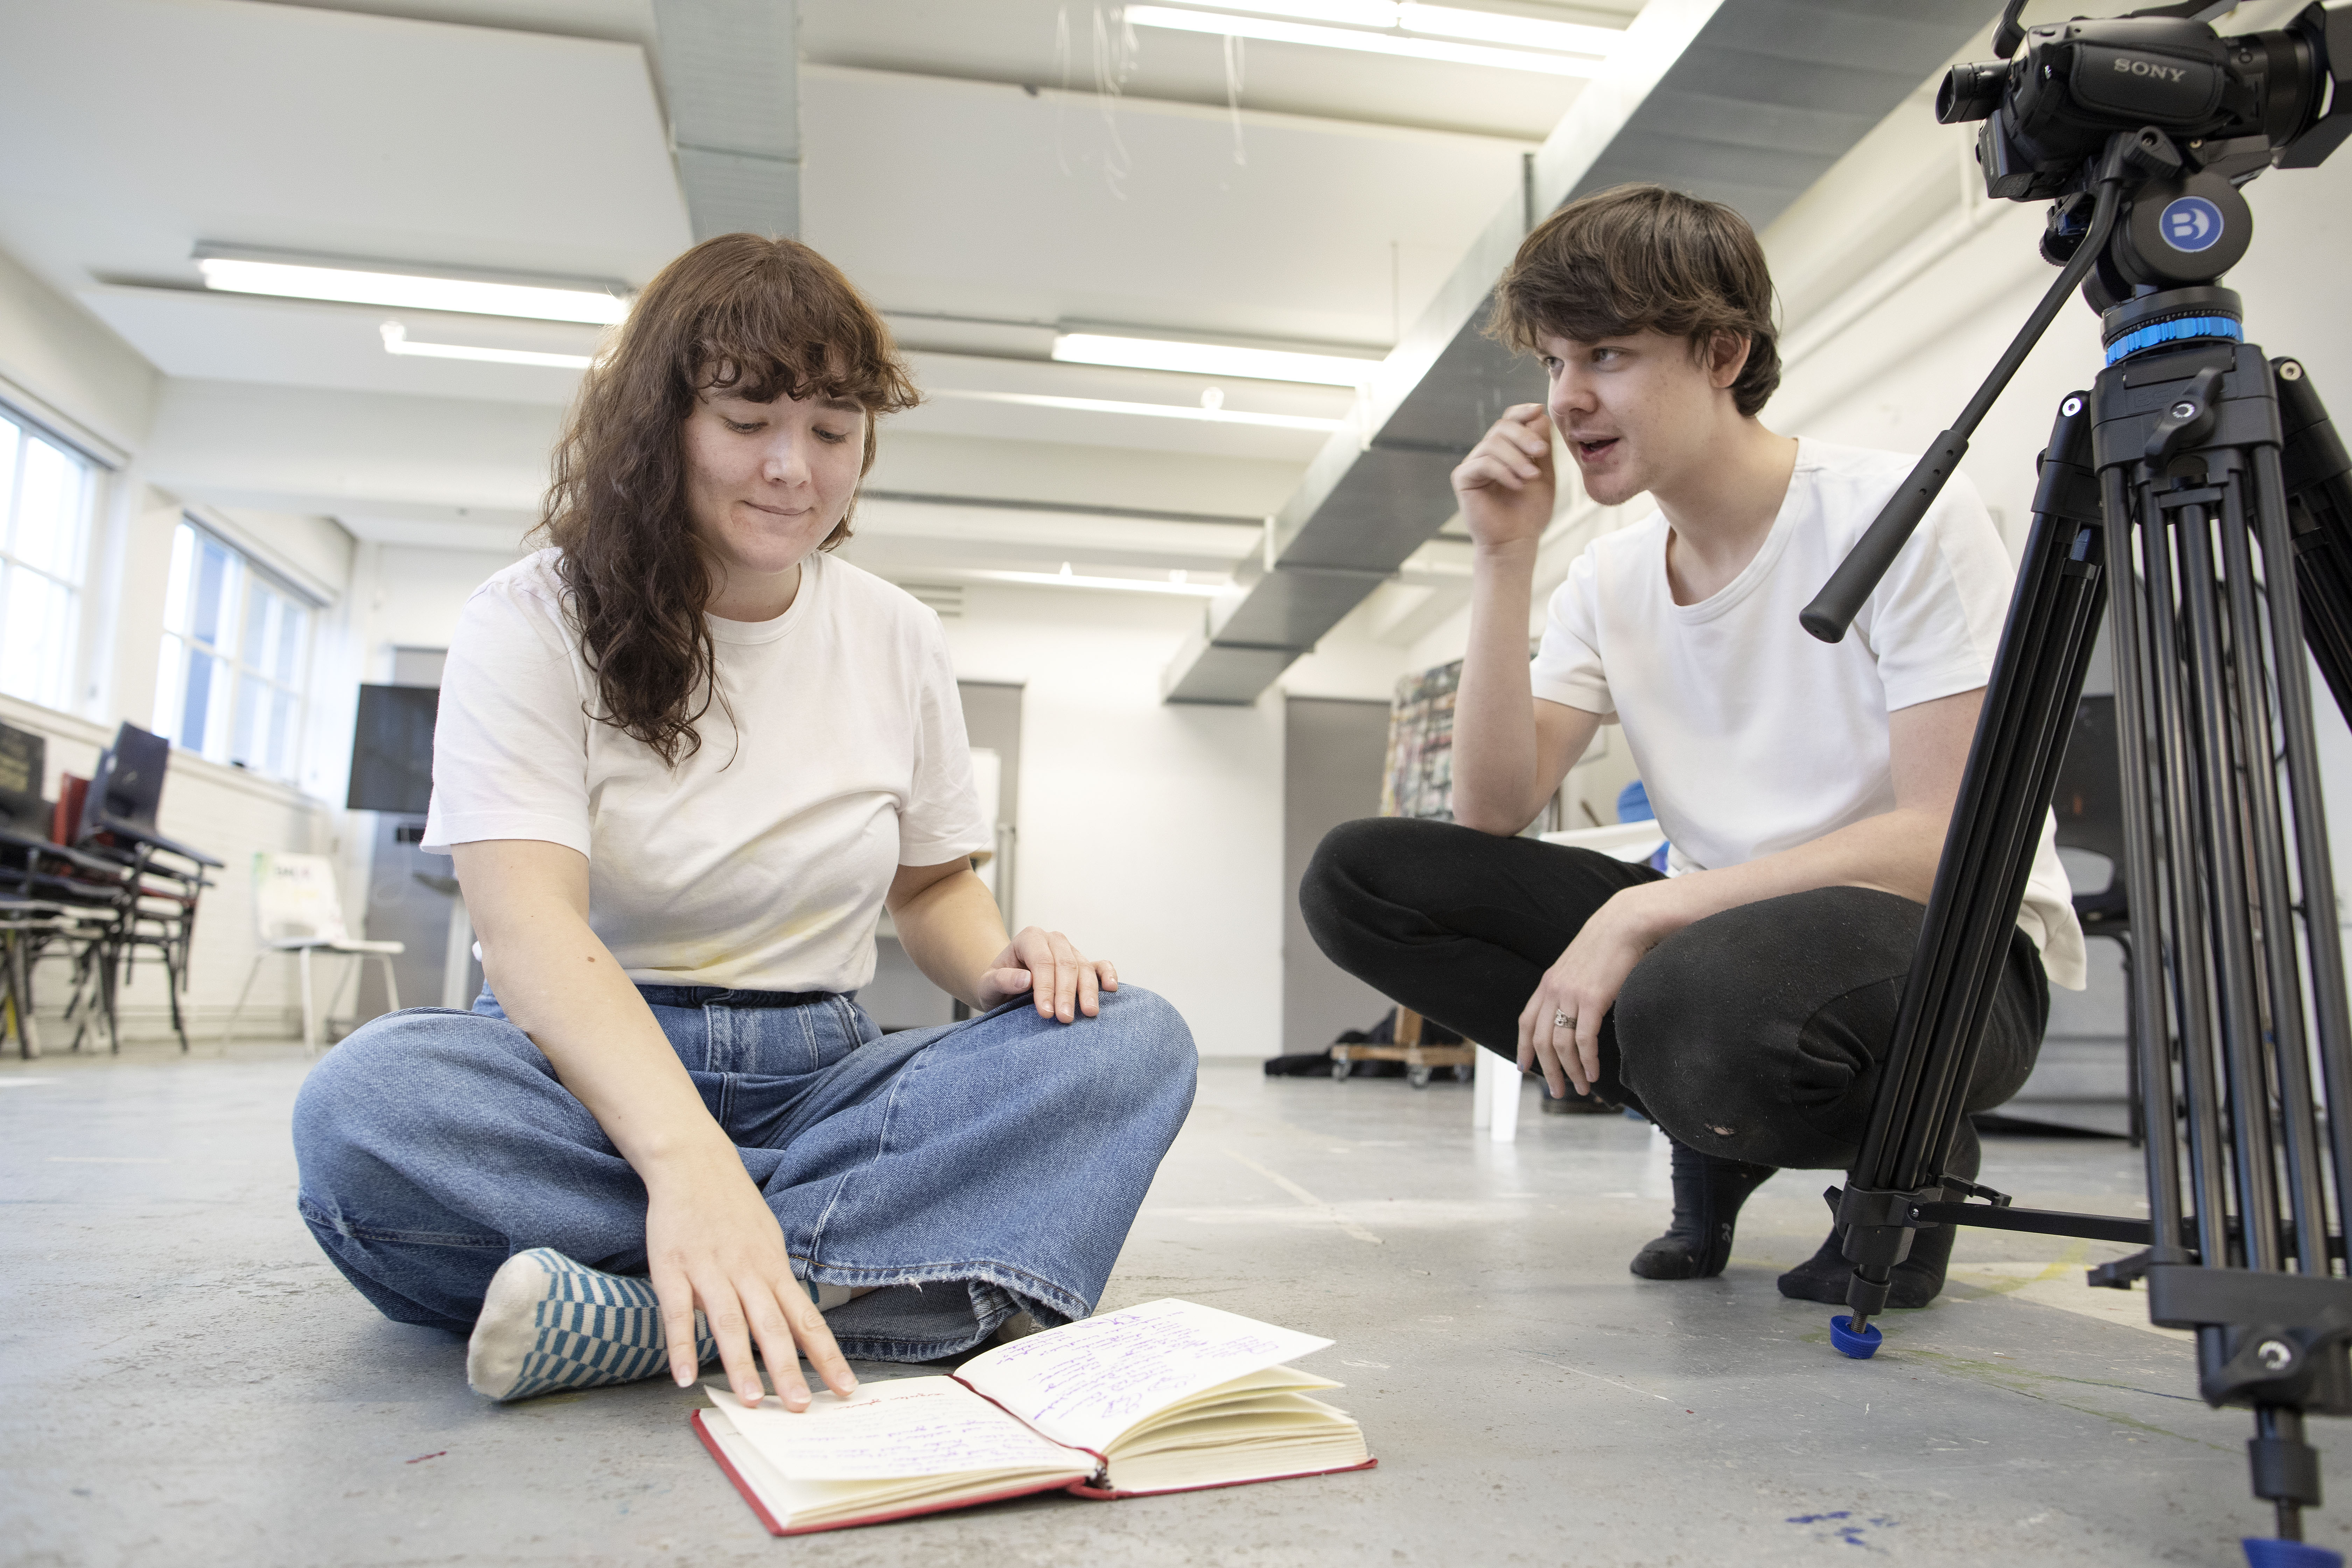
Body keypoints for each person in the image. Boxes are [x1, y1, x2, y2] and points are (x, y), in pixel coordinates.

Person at [292, 234, 1198, 1410]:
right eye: (748, 421)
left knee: (1136, 1041)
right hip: (578, 1073)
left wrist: (1002, 963)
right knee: (367, 1108)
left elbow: (931, 890)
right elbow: (526, 937)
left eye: (832, 430)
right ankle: (858, 1281)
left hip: (820, 1073)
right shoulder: (526, 620)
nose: (793, 468)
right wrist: (685, 1165)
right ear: (662, 423)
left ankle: (639, 1309)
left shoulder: (897, 634)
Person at [1301, 184, 2082, 1310]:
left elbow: (1946, 840)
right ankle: (1703, 1120)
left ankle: (1911, 1158)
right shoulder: (1611, 578)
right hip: (1726, 948)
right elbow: (1490, 809)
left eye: (1608, 355)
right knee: (1365, 878)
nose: (1569, 400)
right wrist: (1501, 560)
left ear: (1723, 353)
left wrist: (1646, 907)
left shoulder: (1898, 515)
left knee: (1691, 985)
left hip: (1951, 964)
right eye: (1554, 364)